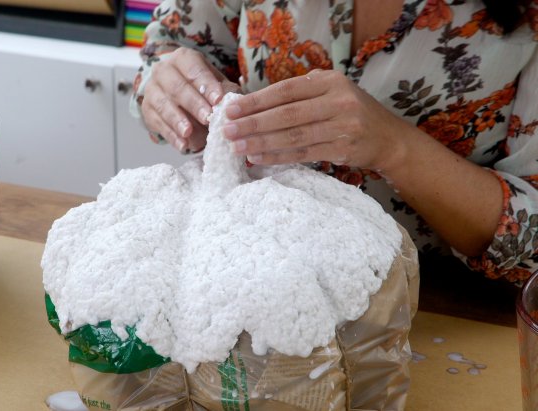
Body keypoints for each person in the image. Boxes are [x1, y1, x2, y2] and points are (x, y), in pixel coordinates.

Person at [130, 0, 538, 284]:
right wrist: (170, 89)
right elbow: (166, 52)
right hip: (250, 280)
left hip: (453, 315)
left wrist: (394, 147)